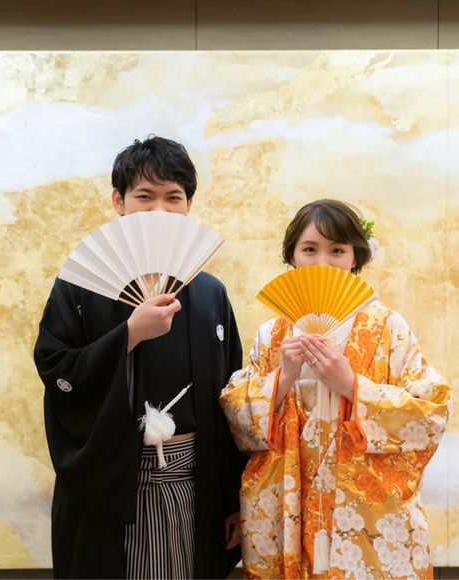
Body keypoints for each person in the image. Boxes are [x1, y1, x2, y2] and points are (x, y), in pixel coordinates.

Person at [34, 136, 245, 579]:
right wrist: (128, 335)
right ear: (119, 201)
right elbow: (56, 369)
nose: (160, 211)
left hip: (194, 483)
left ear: (189, 204)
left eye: (174, 198)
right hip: (111, 482)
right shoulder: (80, 286)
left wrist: (232, 498)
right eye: (145, 197)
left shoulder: (210, 293)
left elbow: (230, 401)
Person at [220, 199, 451, 579]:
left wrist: (353, 386)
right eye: (310, 249)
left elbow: (432, 411)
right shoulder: (272, 334)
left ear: (356, 256)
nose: (323, 262)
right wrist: (282, 378)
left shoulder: (388, 328)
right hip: (290, 499)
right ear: (291, 256)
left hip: (364, 509)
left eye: (337, 250)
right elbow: (236, 415)